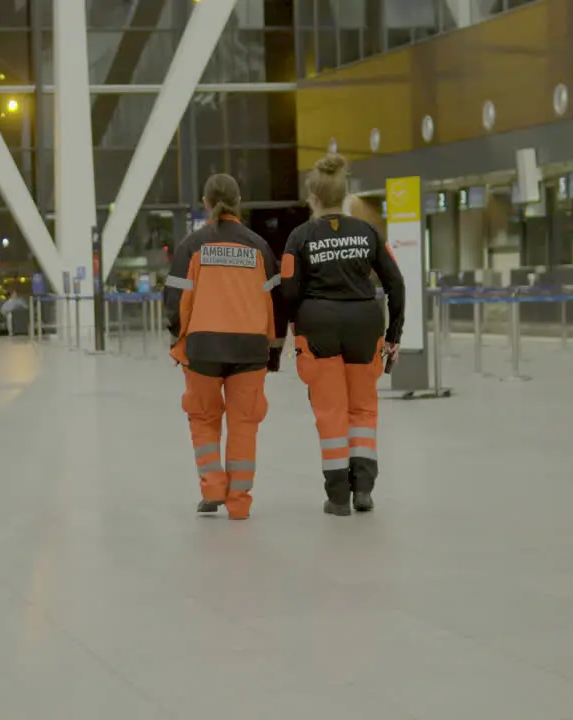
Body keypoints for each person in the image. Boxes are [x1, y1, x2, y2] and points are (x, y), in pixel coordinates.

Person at [277, 154, 405, 516]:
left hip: (318, 328)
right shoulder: (368, 233)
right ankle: (363, 490)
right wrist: (394, 334)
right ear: (346, 195)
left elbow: (287, 290)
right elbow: (395, 283)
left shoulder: (299, 237)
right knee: (363, 409)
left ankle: (337, 498)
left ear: (313, 198)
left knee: (331, 412)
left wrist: (291, 329)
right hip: (365, 326)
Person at [164, 174, 288, 521]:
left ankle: (212, 487)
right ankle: (239, 503)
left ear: (206, 202)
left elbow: (174, 300)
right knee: (244, 423)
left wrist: (178, 337)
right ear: (238, 202)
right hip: (250, 349)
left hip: (202, 346)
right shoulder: (259, 247)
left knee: (203, 418)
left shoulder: (192, 245)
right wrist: (274, 352)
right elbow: (277, 306)